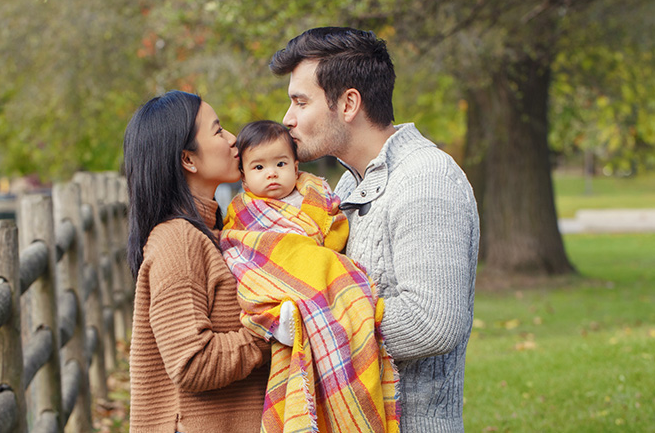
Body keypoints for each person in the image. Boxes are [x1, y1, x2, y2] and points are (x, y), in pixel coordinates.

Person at [269, 27, 480, 433]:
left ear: (349, 103)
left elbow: (431, 324)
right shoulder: (349, 185)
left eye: (300, 101)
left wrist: (305, 335)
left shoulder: (427, 179)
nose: (287, 119)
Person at [220, 120, 400, 432]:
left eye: (280, 163)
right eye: (259, 167)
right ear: (245, 174)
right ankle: (277, 319)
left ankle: (314, 319)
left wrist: (319, 250)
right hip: (275, 279)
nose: (272, 173)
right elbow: (242, 252)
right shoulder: (244, 210)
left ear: (295, 164)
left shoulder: (314, 194)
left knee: (337, 280)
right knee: (259, 288)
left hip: (318, 281)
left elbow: (336, 232)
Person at [123, 90, 271, 433]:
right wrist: (273, 331)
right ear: (188, 159)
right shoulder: (179, 240)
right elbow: (192, 363)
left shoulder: (213, 231)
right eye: (218, 131)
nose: (234, 139)